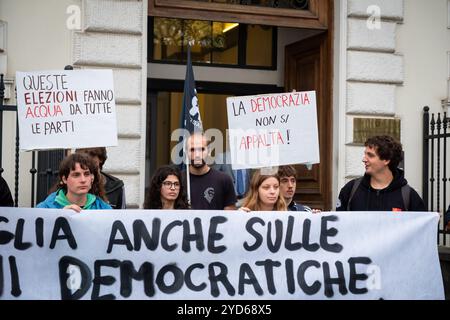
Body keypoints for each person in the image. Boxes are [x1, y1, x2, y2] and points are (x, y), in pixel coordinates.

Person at [336, 135, 425, 212]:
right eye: (365, 154)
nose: (364, 159)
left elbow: (423, 228)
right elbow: (338, 225)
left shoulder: (409, 196)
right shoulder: (350, 189)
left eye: (370, 155)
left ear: (386, 160)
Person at [37, 153, 112, 211]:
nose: (83, 180)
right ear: (64, 179)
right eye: (76, 175)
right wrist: (59, 217)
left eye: (86, 174)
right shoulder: (43, 209)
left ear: (92, 178)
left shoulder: (105, 209)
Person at [184, 132, 237, 210]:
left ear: (209, 151)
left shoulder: (224, 180)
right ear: (186, 152)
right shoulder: (178, 180)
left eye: (202, 149)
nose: (197, 155)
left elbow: (230, 214)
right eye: (192, 150)